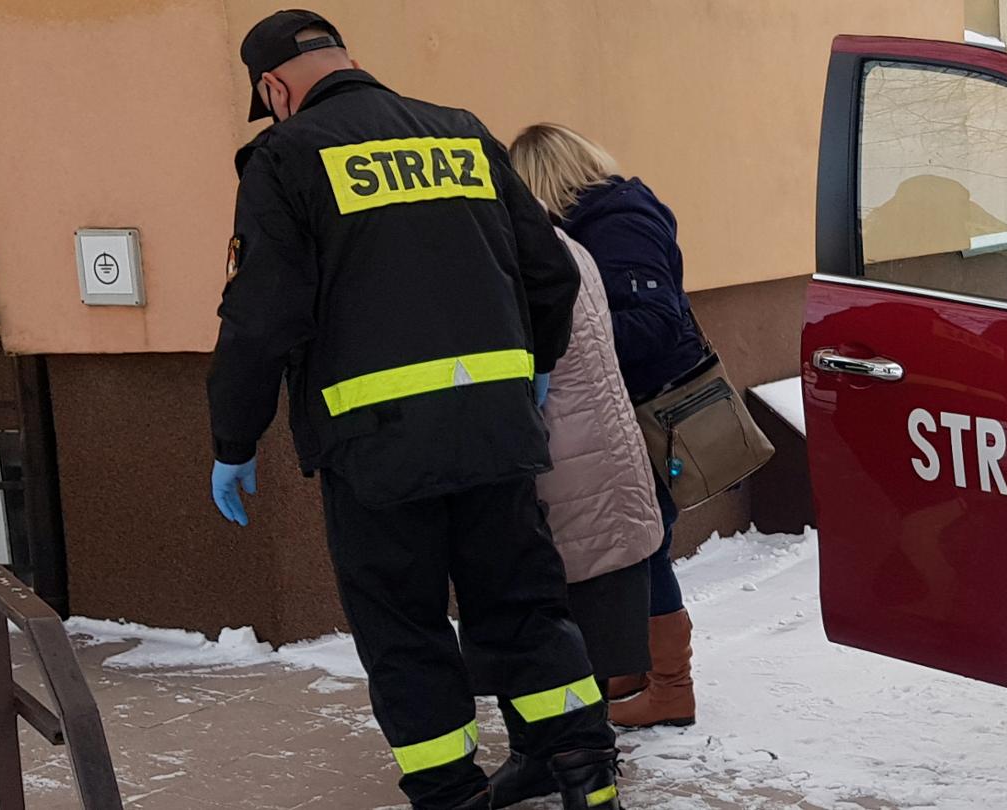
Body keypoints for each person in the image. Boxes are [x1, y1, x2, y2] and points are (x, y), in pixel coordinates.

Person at [208, 13, 620, 809]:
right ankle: (580, 769)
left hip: (376, 447)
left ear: (272, 88)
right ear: (348, 61)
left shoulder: (286, 155)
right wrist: (530, 368)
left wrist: (233, 435)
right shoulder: (460, 134)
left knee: (405, 626)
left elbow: (261, 314)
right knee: (523, 602)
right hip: (496, 432)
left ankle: (450, 794)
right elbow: (551, 272)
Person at [509, 124, 703, 730]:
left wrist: (576, 337)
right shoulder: (604, 220)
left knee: (646, 549)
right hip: (630, 404)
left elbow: (653, 321)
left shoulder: (616, 222)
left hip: (650, 405)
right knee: (638, 544)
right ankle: (640, 666)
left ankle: (673, 688)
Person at [484, 228, 666, 807]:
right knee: (568, 615)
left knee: (545, 620)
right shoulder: (562, 242)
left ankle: (574, 763)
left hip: (561, 460)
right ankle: (555, 758)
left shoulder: (506, 246)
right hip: (595, 454)